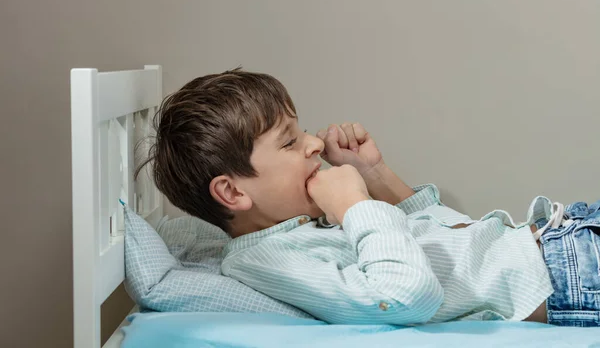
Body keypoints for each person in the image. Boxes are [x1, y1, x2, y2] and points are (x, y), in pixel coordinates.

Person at [142, 68, 600, 327]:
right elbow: (408, 294)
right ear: (233, 191)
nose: (314, 145)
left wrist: (377, 178)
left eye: (301, 130)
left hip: (567, 236)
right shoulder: (269, 261)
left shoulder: (302, 222)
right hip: (570, 276)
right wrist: (356, 208)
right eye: (288, 143)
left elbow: (451, 243)